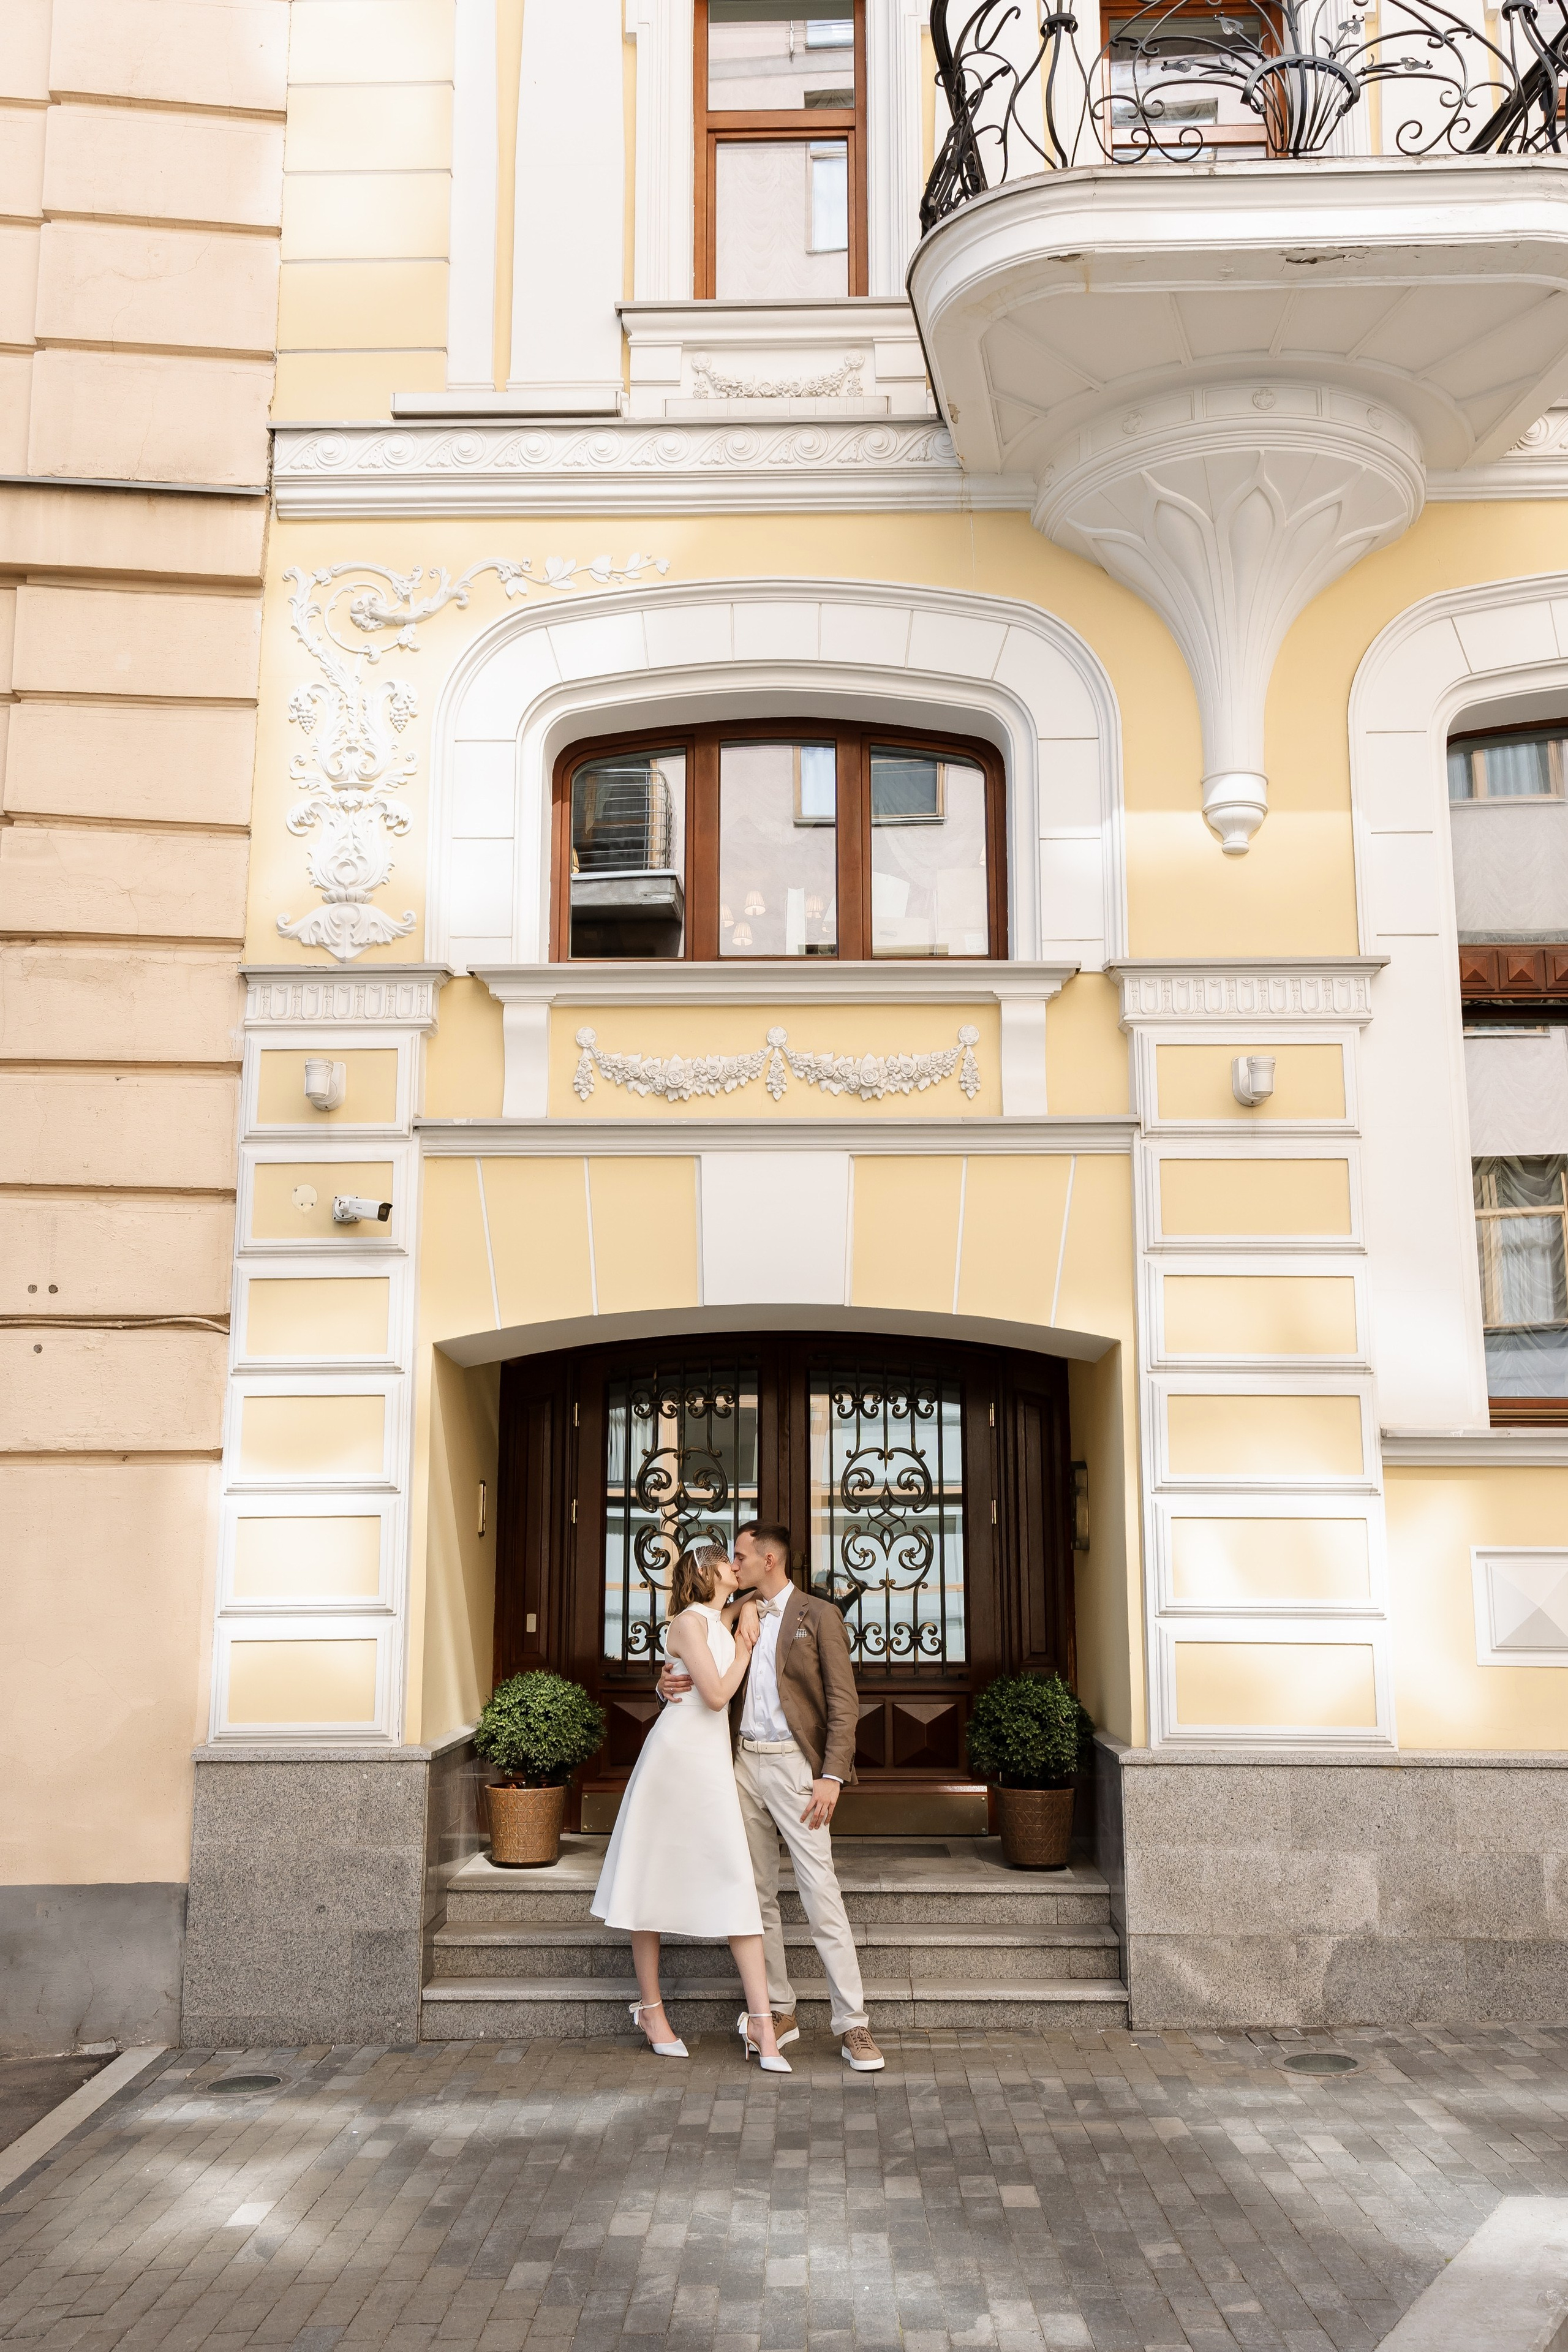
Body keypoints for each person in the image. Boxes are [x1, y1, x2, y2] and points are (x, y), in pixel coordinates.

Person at [660, 1520, 886, 2073]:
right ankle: (779, 2009)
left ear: (769, 1560)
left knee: (820, 1893)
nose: (732, 1566)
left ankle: (853, 2023)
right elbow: (688, 1649)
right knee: (757, 1895)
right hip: (738, 1766)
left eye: (739, 1557)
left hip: (794, 1770)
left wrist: (831, 1776)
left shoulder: (819, 1615)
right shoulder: (732, 1612)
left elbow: (843, 1703)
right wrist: (662, 1682)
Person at [590, 1536, 790, 2070]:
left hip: (710, 1768)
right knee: (649, 1879)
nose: (736, 1565)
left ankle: (763, 2026)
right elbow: (716, 1695)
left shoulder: (722, 1617)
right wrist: (743, 1648)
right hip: (675, 1763)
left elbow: (743, 1617)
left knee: (736, 1883)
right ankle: (652, 2011)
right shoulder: (687, 1621)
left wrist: (746, 1610)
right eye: (727, 1560)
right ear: (705, 1572)